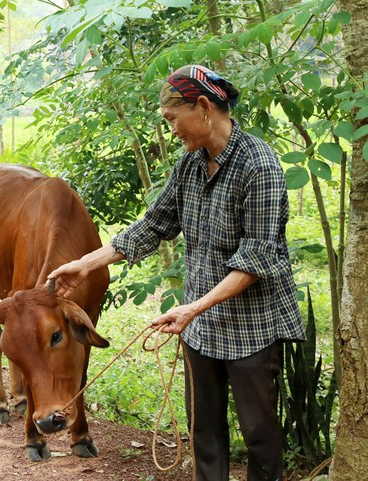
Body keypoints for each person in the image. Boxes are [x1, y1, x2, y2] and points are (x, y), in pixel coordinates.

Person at [48, 65, 306, 481]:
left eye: (171, 119)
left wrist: (193, 308)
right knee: (203, 429)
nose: (171, 131)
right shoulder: (190, 164)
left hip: (252, 329)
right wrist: (85, 263)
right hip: (200, 328)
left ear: (203, 107)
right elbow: (154, 224)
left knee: (259, 433)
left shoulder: (259, 165)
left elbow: (255, 261)